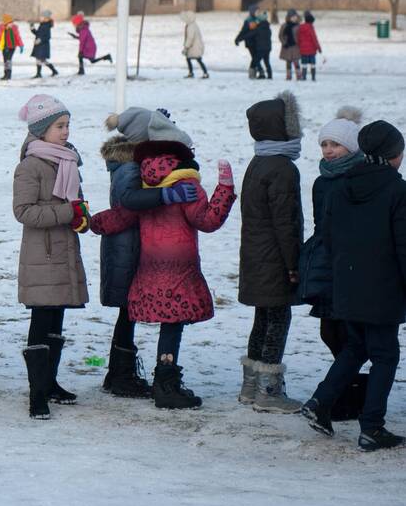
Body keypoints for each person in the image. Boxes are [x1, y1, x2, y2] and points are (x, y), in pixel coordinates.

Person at [91, 135, 237, 410]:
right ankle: (166, 385)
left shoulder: (145, 190)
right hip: (180, 272)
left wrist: (93, 221)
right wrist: (225, 189)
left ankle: (163, 382)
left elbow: (121, 216)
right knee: (172, 327)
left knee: (169, 326)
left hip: (150, 273)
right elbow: (208, 220)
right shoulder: (186, 187)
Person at [302, 121, 406, 452]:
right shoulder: (397, 190)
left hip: (346, 283)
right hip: (382, 288)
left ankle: (320, 402)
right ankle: (372, 427)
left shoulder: (342, 185)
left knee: (357, 348)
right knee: (386, 354)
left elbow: (328, 237)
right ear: (394, 155)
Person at [98, 108, 198, 398]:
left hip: (130, 244)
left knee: (128, 311)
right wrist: (164, 196)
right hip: (126, 248)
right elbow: (128, 200)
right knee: (127, 311)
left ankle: (119, 373)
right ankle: (121, 375)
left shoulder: (132, 161)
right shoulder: (128, 165)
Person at [13, 94, 90, 420]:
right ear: (41, 129)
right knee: (41, 322)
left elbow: (77, 203)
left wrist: (82, 216)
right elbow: (24, 212)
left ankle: (50, 382)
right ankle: (36, 394)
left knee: (57, 321)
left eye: (67, 125)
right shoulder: (31, 165)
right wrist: (66, 212)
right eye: (59, 126)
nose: (65, 131)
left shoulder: (67, 161)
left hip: (65, 253)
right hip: (42, 257)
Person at [238, 92, 304, 413]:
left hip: (255, 255)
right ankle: (269, 391)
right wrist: (294, 264)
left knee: (262, 318)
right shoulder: (283, 168)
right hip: (275, 258)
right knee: (278, 318)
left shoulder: (258, 162)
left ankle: (250, 386)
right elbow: (286, 222)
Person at [299, 106, 366, 421]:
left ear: (351, 147)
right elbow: (319, 223)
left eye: (334, 145)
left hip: (353, 263)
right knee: (330, 330)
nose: (328, 150)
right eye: (324, 144)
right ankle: (347, 385)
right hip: (328, 260)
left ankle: (345, 389)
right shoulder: (321, 181)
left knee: (350, 331)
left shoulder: (360, 177)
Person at [0, 14, 23, 81]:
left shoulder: (14, 29)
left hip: (12, 47)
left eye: (11, 22)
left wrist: (21, 45)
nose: (11, 24)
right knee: (5, 61)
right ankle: (5, 74)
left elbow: (18, 38)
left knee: (8, 60)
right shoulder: (2, 30)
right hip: (4, 47)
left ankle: (8, 75)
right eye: (9, 23)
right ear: (5, 23)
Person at [180, 10, 208, 79]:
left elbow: (190, 38)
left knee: (197, 59)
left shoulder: (191, 26)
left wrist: (186, 47)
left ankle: (204, 73)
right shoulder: (192, 25)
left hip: (194, 47)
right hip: (194, 46)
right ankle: (192, 73)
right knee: (189, 59)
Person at [30, 11, 58, 78]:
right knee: (40, 59)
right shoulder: (42, 25)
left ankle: (40, 73)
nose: (40, 18)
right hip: (39, 45)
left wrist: (40, 40)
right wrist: (32, 29)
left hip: (43, 46)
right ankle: (52, 71)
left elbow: (47, 37)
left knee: (41, 59)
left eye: (41, 17)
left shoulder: (46, 26)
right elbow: (38, 34)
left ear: (46, 18)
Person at [297, 10, 322, 81]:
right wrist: (319, 48)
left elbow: (298, 38)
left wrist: (299, 46)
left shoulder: (300, 27)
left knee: (304, 64)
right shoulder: (311, 28)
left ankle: (304, 76)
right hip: (311, 50)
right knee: (312, 64)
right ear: (311, 21)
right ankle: (313, 77)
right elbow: (314, 39)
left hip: (303, 50)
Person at [278, 9, 301, 81]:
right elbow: (280, 35)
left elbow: (301, 36)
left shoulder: (298, 26)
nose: (294, 18)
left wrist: (299, 42)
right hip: (287, 47)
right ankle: (288, 76)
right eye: (292, 17)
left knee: (296, 62)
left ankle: (299, 75)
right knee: (288, 62)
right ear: (289, 17)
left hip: (295, 47)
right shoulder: (284, 26)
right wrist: (284, 43)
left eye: (295, 17)